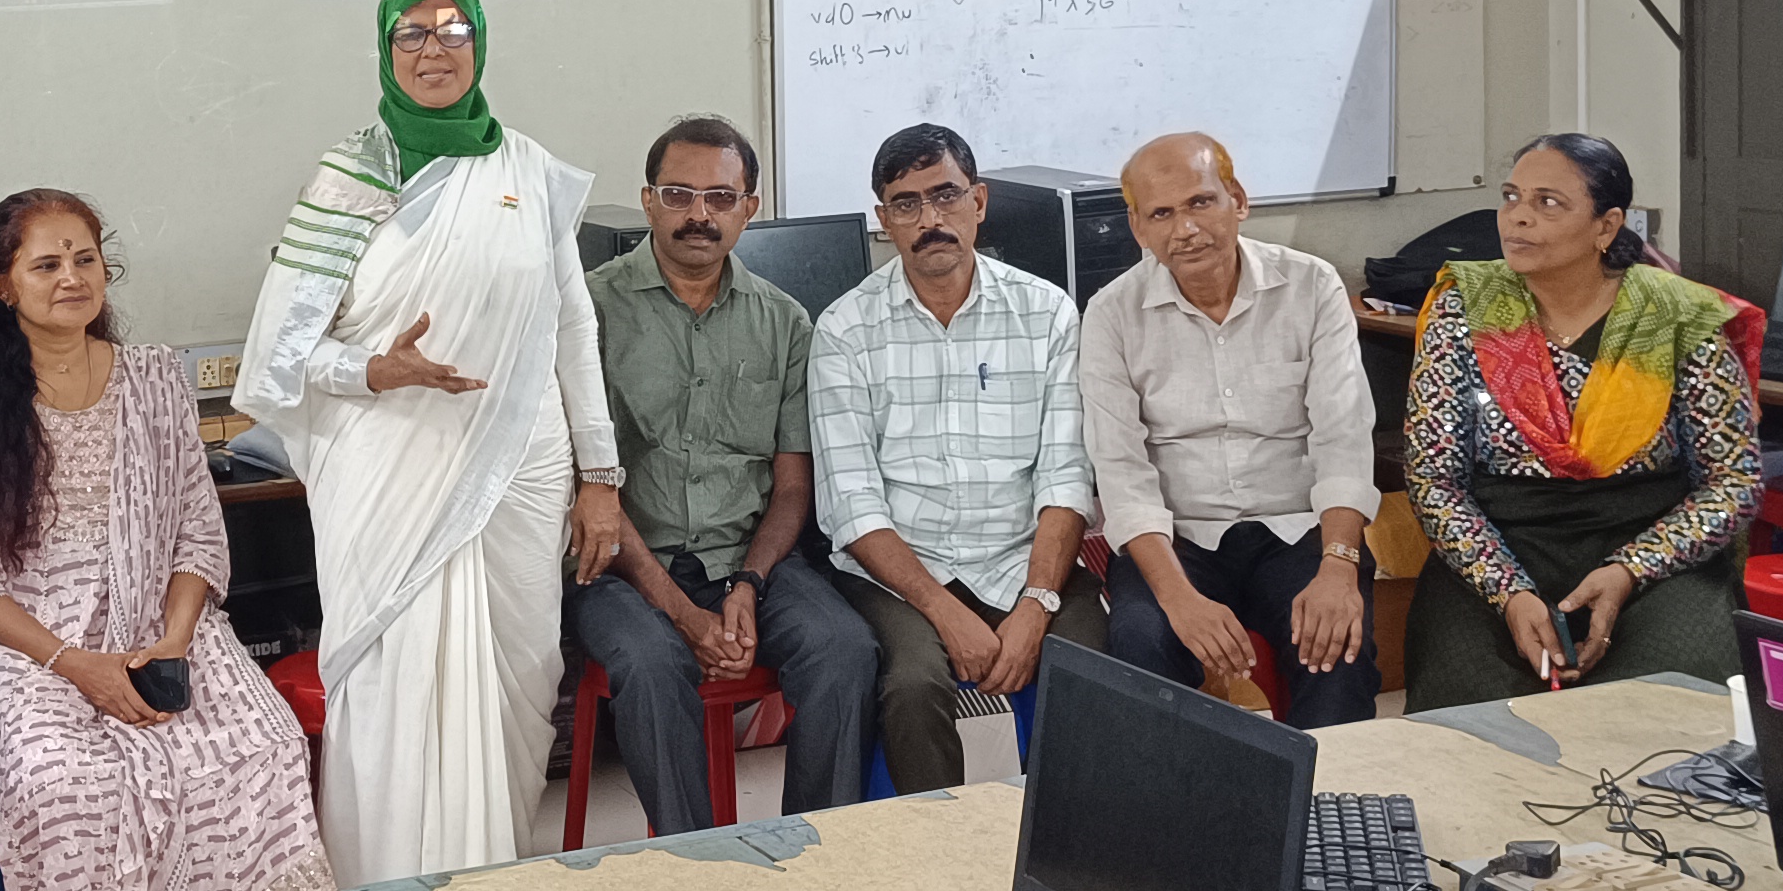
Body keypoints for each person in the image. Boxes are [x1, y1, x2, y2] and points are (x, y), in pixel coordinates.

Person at [230, 0, 626, 891]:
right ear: (384, 48)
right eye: (412, 31)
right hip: (387, 460)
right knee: (395, 691)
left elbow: (571, 327)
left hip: (522, 464)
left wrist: (600, 472)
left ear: (480, 43)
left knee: (517, 683)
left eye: (454, 27)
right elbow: (278, 356)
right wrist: (377, 368)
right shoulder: (347, 181)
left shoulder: (530, 171)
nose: (434, 47)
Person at [0, 189, 331, 891]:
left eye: (84, 258)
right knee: (61, 782)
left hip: (158, 618)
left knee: (258, 743)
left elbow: (198, 533)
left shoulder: (152, 377)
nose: (71, 277)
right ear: (2, 283)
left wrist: (174, 641)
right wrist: (77, 665)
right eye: (46, 264)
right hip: (23, 644)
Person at [574, 116, 873, 828]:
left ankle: (818, 855)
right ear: (648, 201)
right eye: (678, 194)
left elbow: (792, 488)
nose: (698, 215)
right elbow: (592, 491)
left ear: (750, 208)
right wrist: (684, 616)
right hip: (619, 566)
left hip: (748, 560)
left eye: (720, 197)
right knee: (651, 664)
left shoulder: (785, 322)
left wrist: (748, 584)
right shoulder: (587, 312)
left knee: (844, 649)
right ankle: (700, 869)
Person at [1402, 133, 1765, 710]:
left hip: (1652, 555)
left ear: (1606, 226)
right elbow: (1434, 478)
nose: (1518, 217)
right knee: (1469, 709)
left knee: (1672, 705)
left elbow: (1733, 482)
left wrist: (1629, 570)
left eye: (1548, 202)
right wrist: (1509, 592)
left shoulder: (1677, 317)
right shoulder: (1465, 307)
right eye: (1511, 197)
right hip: (1497, 549)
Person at [810, 123, 1096, 795]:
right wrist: (943, 612)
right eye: (906, 204)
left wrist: (1037, 603)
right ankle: (933, 853)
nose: (930, 219)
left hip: (1021, 558)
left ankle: (1072, 846)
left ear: (979, 201)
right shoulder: (845, 329)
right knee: (911, 685)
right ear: (883, 220)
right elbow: (852, 504)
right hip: (903, 571)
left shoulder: (1046, 314)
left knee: (1090, 676)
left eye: (945, 195)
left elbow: (1065, 476)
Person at [1080, 134, 1384, 727]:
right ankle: (1184, 791)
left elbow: (1344, 434)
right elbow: (1120, 472)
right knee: (1142, 643)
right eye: (1161, 214)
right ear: (1138, 228)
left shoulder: (1312, 286)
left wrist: (1339, 564)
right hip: (1178, 537)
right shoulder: (1112, 313)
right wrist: (1179, 600)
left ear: (1237, 200)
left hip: (1298, 528)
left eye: (1200, 202)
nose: (1186, 229)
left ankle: (1329, 789)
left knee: (1338, 651)